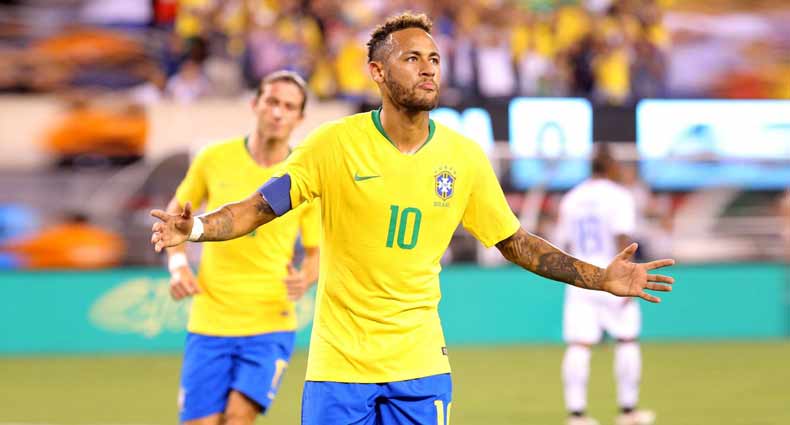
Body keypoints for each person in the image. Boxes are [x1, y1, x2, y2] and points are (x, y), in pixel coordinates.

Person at [150, 13, 675, 425]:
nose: (428, 69)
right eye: (411, 58)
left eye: (434, 58)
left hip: (420, 366)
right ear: (377, 72)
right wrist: (194, 229)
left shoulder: (464, 158)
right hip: (340, 366)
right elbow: (256, 208)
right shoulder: (334, 145)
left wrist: (599, 277)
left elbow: (516, 242)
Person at [163, 70, 320, 425]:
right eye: (272, 101)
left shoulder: (303, 174)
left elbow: (316, 253)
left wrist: (305, 279)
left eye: (289, 107)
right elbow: (175, 217)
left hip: (270, 320)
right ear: (255, 104)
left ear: (300, 118)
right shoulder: (213, 158)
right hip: (211, 318)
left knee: (238, 417)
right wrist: (178, 265)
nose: (278, 112)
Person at [554, 145, 655, 425]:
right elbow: (622, 237)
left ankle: (576, 415)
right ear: (610, 166)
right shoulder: (619, 196)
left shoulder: (572, 198)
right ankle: (628, 411)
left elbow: (563, 243)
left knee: (578, 345)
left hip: (580, 276)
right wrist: (627, 275)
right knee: (626, 340)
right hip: (612, 276)